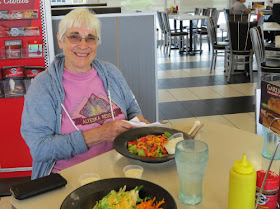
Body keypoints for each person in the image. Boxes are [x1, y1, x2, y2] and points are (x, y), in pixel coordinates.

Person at [21, 8, 149, 179]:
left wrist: (136, 120)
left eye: (90, 38)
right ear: (60, 40)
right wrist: (96, 135)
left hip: (120, 169)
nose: (83, 45)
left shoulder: (111, 73)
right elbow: (39, 148)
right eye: (74, 37)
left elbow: (131, 106)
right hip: (69, 179)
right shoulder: (43, 86)